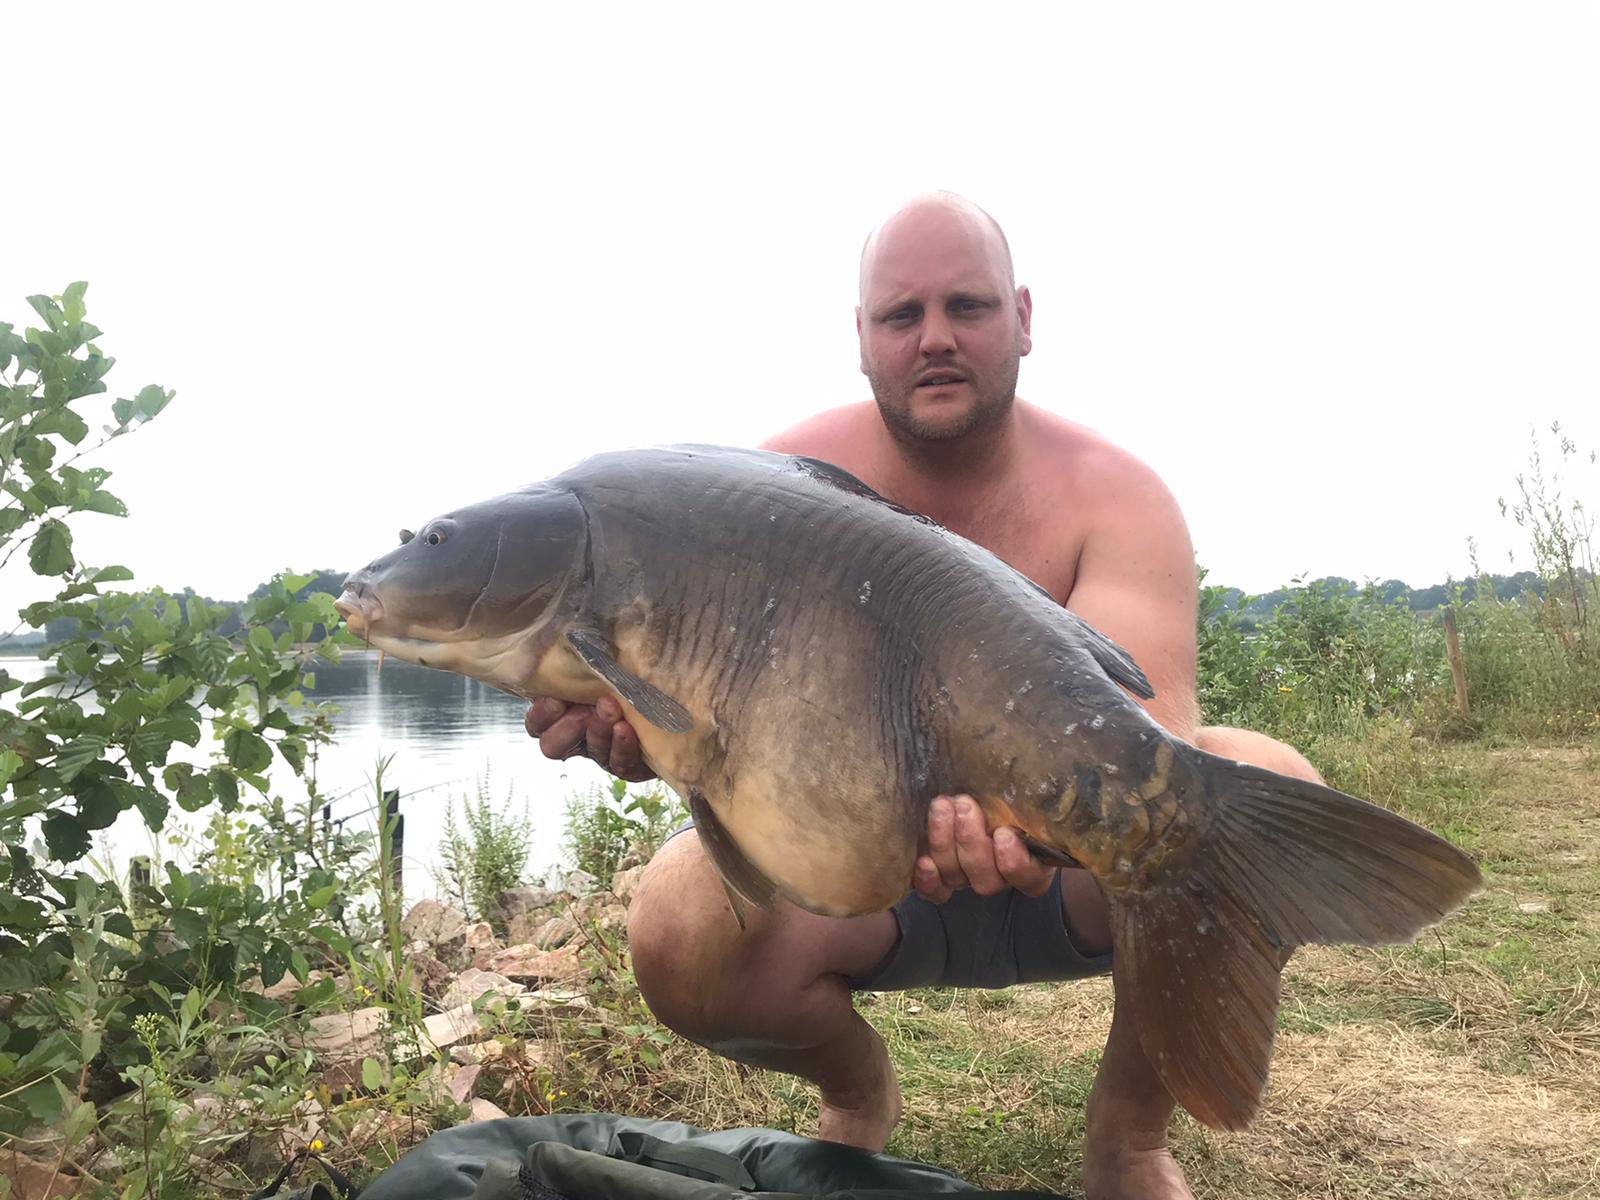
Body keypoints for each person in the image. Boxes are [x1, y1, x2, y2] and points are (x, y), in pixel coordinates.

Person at [524, 192, 1321, 1200]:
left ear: (1021, 319)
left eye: (967, 307)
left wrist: (1024, 818)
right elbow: (726, 736)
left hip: (1070, 863)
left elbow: (1150, 740)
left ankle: (1126, 1141)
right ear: (862, 337)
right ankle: (858, 1093)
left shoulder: (1117, 495)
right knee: (676, 923)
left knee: (1258, 789)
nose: (934, 338)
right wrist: (645, 736)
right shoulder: (771, 491)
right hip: (848, 862)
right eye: (902, 315)